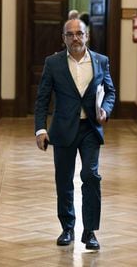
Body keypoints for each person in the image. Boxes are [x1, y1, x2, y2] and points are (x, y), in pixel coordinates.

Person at [34, 19, 116, 250]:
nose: (75, 38)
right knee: (64, 179)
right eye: (70, 35)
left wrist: (105, 110)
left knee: (91, 176)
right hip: (62, 129)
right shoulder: (53, 63)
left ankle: (89, 231)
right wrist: (40, 129)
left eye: (79, 33)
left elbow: (110, 92)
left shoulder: (101, 61)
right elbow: (42, 99)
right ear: (64, 38)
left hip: (90, 128)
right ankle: (67, 227)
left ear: (87, 36)